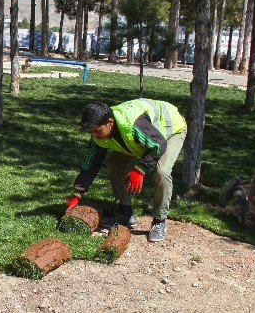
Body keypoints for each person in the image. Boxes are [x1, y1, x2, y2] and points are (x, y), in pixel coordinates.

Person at [65, 99, 188, 242]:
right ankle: (126, 214)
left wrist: (140, 170)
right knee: (114, 162)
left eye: (97, 131)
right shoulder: (98, 134)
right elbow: (91, 164)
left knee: (162, 171)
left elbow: (158, 145)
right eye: (90, 132)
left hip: (170, 131)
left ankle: (159, 220)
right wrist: (77, 193)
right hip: (144, 139)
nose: (94, 136)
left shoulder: (132, 125)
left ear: (110, 122)